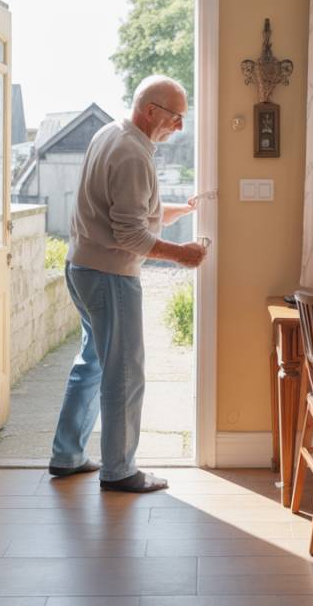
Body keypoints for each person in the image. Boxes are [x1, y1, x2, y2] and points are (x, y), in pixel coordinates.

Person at [48, 75, 207, 493]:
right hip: (110, 275)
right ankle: (119, 470)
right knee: (124, 372)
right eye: (176, 117)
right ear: (150, 110)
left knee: (92, 363)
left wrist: (175, 210)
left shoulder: (111, 134)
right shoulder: (134, 154)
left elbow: (123, 210)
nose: (179, 127)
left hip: (81, 266)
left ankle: (67, 455)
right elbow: (130, 235)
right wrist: (181, 255)